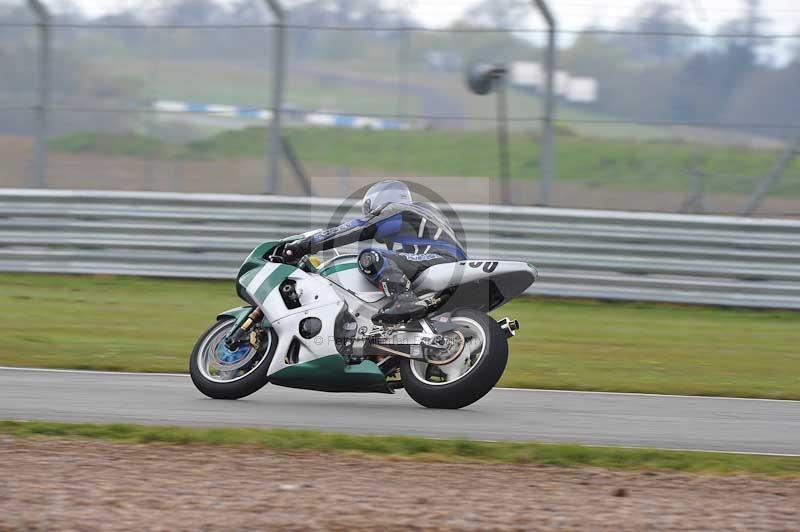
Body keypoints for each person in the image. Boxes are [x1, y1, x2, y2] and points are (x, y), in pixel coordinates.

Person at [283, 180, 466, 323]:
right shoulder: (426, 213)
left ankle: (404, 300)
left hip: (438, 259)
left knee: (371, 256)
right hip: (449, 263)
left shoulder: (395, 210)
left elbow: (353, 229)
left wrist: (303, 246)